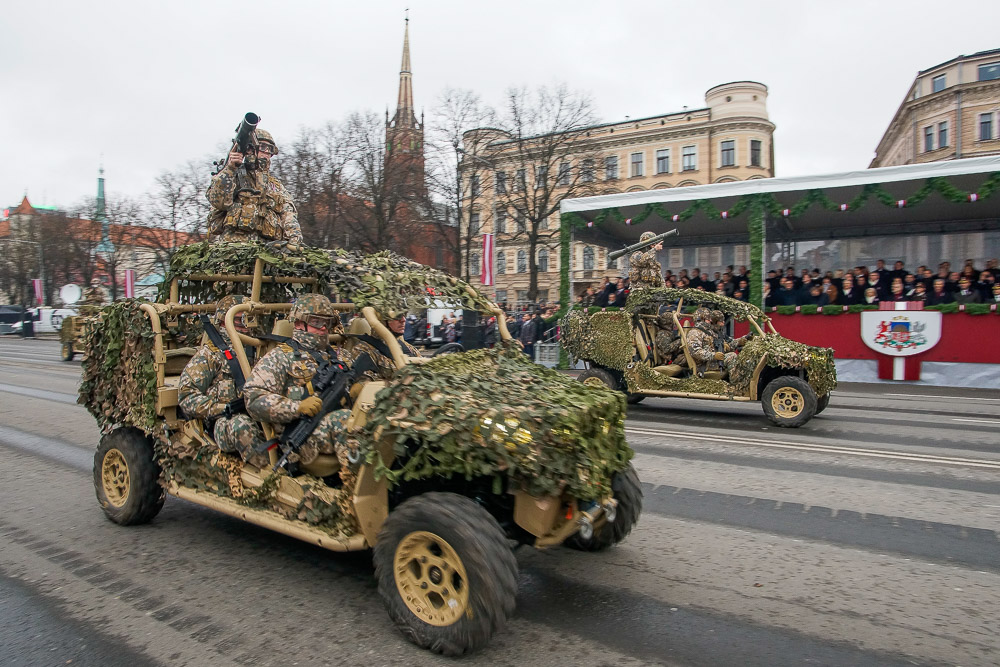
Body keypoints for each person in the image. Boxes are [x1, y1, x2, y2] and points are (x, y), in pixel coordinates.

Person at [243, 294, 351, 467]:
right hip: (301, 435)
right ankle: (356, 487)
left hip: (333, 421)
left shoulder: (339, 356)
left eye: (328, 322)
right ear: (299, 323)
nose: (323, 328)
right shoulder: (280, 357)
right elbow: (254, 399)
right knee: (347, 421)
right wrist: (297, 407)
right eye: (316, 321)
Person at [178, 295, 265, 462]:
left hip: (255, 412)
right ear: (223, 321)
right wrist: (222, 408)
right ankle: (267, 473)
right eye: (239, 321)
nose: (246, 326)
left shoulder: (257, 349)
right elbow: (186, 396)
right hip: (222, 422)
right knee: (241, 426)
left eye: (249, 320)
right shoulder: (209, 356)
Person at [206, 128, 303, 245]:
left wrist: (294, 240)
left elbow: (288, 213)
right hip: (233, 249)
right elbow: (218, 201)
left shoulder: (275, 185)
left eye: (270, 149)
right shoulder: (232, 175)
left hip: (267, 250)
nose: (266, 152)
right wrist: (230, 168)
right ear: (250, 148)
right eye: (262, 147)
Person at [347, 310, 421, 382]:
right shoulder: (364, 351)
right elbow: (362, 389)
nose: (403, 320)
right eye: (397, 316)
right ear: (382, 321)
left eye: (404, 315)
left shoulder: (409, 349)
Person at [684, 308, 728, 377]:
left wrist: (731, 344)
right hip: (705, 364)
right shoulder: (695, 332)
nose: (710, 321)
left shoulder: (710, 332)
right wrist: (713, 355)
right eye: (708, 319)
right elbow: (695, 351)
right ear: (701, 320)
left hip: (714, 361)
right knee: (732, 357)